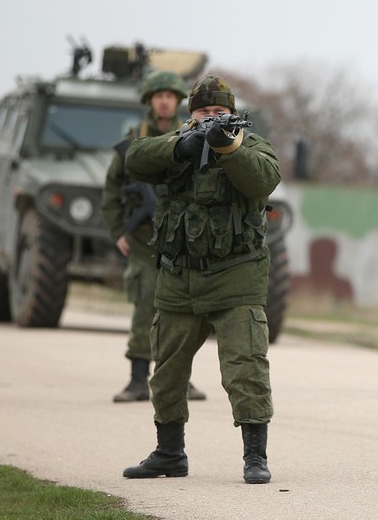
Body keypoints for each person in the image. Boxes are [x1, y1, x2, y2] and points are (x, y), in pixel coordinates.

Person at [121, 75, 280, 484]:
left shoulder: (251, 145)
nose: (212, 118)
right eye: (204, 113)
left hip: (236, 278)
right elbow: (134, 160)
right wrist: (181, 146)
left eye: (219, 112)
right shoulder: (176, 143)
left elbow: (263, 178)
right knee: (168, 371)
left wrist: (228, 147)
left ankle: (255, 457)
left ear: (232, 113)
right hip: (178, 279)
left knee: (245, 368)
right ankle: (169, 453)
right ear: (189, 115)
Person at [101, 70, 207, 403]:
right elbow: (111, 190)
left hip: (180, 239)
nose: (164, 101)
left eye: (170, 96)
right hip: (143, 238)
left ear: (177, 101)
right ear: (151, 101)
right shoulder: (135, 139)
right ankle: (137, 379)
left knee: (182, 310)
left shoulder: (191, 134)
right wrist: (119, 230)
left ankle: (178, 378)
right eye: (158, 96)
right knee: (146, 302)